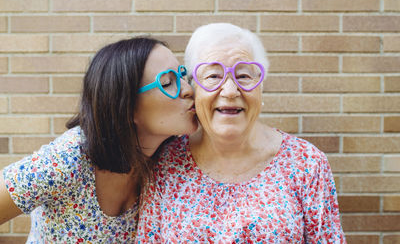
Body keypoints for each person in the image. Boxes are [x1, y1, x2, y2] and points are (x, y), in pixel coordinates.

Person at [135, 23, 346, 243]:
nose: (230, 91)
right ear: (193, 89)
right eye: (213, 76)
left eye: (244, 76)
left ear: (260, 87)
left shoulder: (306, 163)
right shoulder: (165, 162)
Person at [0, 36, 197, 243]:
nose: (188, 90)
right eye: (168, 82)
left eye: (182, 76)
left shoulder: (171, 159)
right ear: (126, 106)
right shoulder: (66, 159)